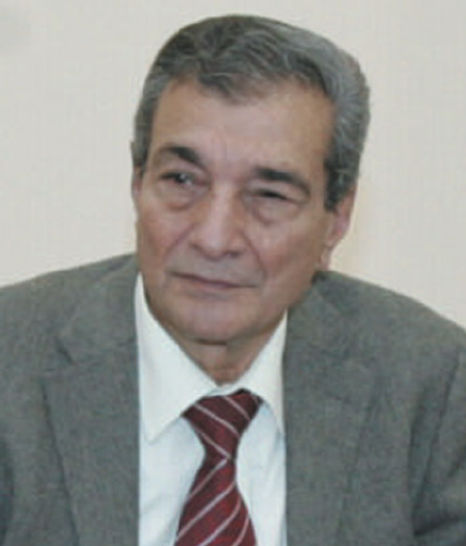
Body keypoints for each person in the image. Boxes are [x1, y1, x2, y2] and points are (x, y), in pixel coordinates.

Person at [0, 14, 465, 546]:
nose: (214, 238)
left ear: (336, 219)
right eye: (182, 180)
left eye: (268, 195)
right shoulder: (11, 362)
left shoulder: (429, 385)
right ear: (137, 183)